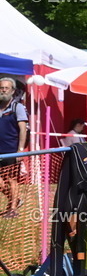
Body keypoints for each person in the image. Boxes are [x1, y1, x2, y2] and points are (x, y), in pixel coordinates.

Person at [0, 77, 28, 216]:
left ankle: (13, 209)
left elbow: (23, 129)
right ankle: (15, 200)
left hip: (11, 151)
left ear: (13, 91)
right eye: (1, 88)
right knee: (0, 182)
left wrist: (20, 151)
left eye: (6, 88)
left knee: (11, 180)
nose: (4, 90)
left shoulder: (18, 107)